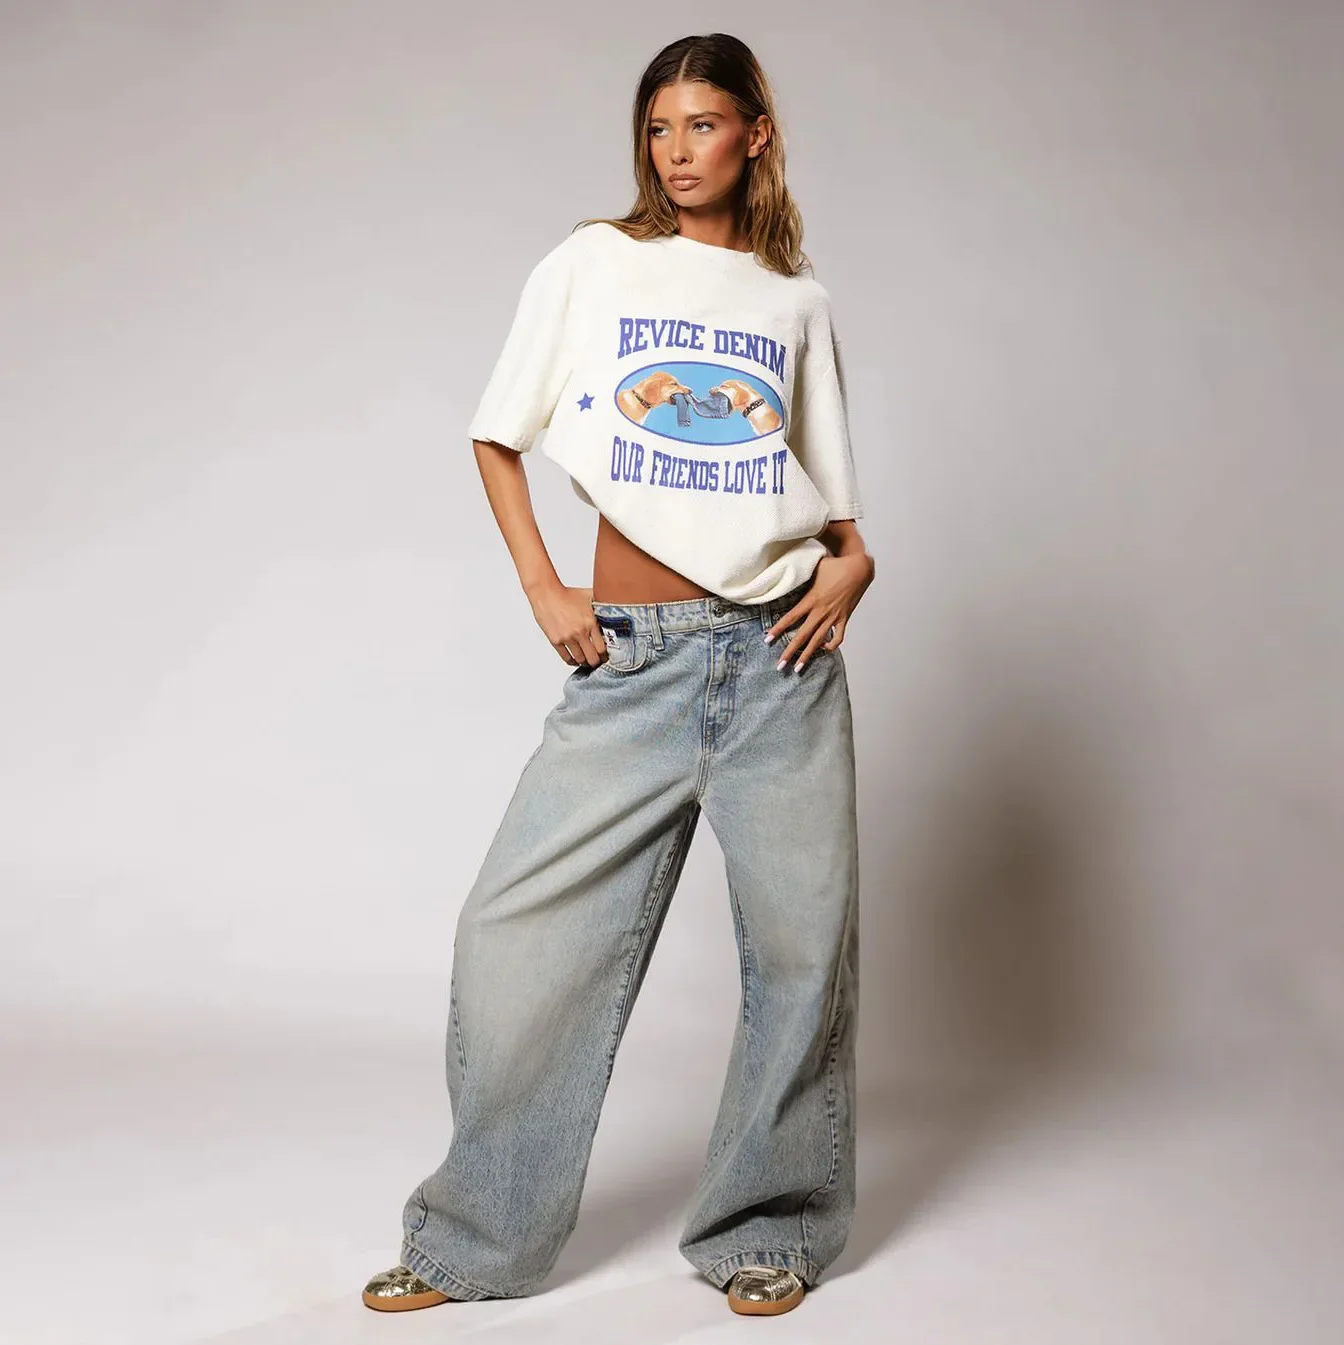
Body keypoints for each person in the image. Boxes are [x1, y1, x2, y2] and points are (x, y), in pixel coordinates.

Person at [362, 31, 875, 1320]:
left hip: (780, 663)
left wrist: (856, 569)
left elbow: (836, 514)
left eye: (703, 124)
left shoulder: (795, 301)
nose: (677, 151)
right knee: (513, 939)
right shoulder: (596, 261)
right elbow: (497, 434)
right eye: (658, 127)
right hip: (635, 659)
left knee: (801, 957)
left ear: (756, 133)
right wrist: (546, 587)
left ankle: (768, 1227)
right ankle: (477, 1237)